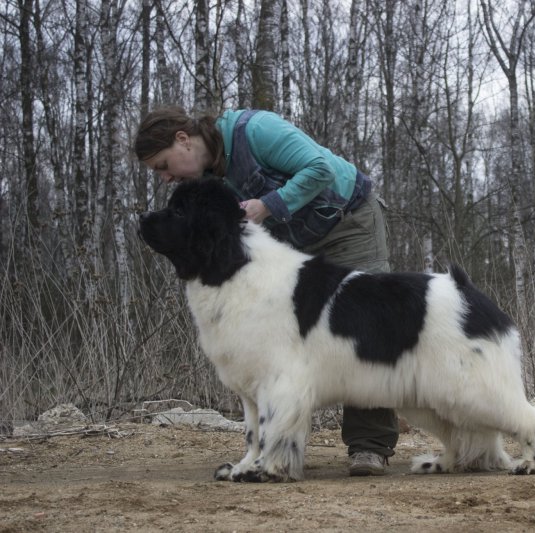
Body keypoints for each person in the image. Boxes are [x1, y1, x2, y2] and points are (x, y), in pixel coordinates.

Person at [135, 107, 398, 476]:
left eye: (162, 165)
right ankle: (279, 446)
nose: (164, 178)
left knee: (363, 327)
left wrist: (268, 204)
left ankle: (369, 445)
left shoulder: (255, 130)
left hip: (347, 222)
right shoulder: (207, 184)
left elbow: (319, 168)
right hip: (294, 245)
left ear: (183, 140)